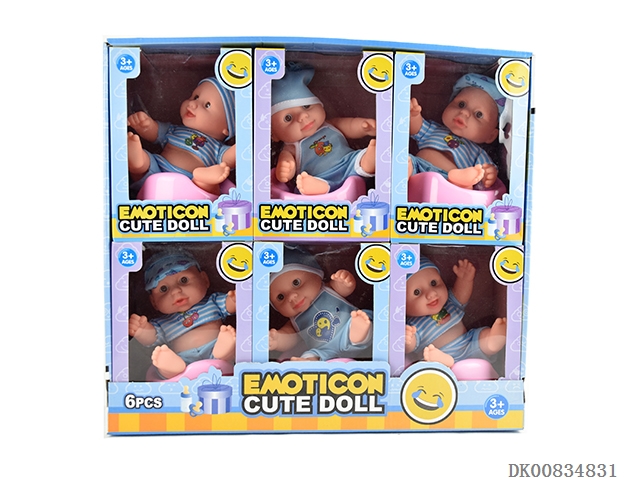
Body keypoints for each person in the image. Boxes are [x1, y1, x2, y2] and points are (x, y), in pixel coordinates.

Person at [271, 62, 376, 195]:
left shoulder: (330, 125)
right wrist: (285, 169)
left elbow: (349, 125)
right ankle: (320, 188)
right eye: (288, 118)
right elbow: (287, 162)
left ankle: (369, 161)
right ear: (274, 134)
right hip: (319, 176)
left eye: (306, 106)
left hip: (348, 162)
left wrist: (363, 127)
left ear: (321, 105)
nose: (303, 116)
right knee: (306, 183)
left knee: (359, 158)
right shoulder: (291, 148)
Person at [128, 251, 236, 379]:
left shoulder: (212, 301)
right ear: (154, 302)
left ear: (204, 280)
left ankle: (225, 351)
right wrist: (140, 330)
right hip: (182, 359)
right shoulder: (162, 323)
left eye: (183, 280)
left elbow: (229, 305)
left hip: (215, 348)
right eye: (163, 289)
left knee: (230, 349)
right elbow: (152, 338)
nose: (175, 291)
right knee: (161, 365)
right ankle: (170, 368)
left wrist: (235, 299)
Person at [127, 77, 236, 195]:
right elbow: (155, 133)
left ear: (227, 128)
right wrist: (145, 125)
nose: (192, 103)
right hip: (158, 168)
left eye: (207, 105)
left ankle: (204, 180)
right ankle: (137, 160)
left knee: (208, 188)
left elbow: (229, 158)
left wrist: (242, 147)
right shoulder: (174, 129)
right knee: (146, 162)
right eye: (195, 97)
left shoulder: (217, 148)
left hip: (190, 181)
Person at [268, 245, 372, 361]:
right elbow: (290, 338)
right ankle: (309, 363)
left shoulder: (329, 289)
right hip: (325, 351)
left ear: (316, 274)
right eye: (281, 297)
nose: (292, 297)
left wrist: (345, 281)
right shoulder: (293, 323)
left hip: (347, 331)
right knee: (310, 354)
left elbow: (345, 289)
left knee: (362, 318)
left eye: (296, 283)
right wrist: (277, 340)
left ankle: (358, 332)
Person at [404, 256, 506, 368]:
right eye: (417, 292)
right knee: (430, 358)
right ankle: (445, 362)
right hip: (441, 354)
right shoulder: (412, 326)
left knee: (482, 336)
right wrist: (406, 339)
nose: (432, 293)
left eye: (433, 283)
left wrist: (465, 279)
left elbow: (460, 295)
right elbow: (410, 346)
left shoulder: (449, 304)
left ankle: (493, 340)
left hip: (469, 343)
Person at [408, 73, 505, 189]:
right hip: (418, 167)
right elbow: (416, 129)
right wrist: (413, 116)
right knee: (406, 160)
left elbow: (485, 176)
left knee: (473, 176)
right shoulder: (434, 129)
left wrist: (488, 173)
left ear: (491, 135)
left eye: (478, 114)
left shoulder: (478, 153)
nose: (464, 112)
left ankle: (461, 182)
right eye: (461, 104)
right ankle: (404, 171)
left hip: (448, 182)